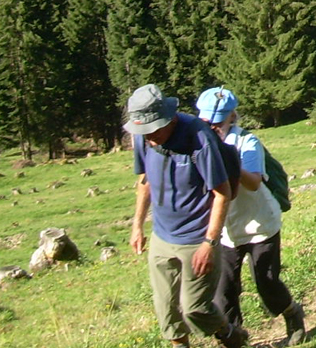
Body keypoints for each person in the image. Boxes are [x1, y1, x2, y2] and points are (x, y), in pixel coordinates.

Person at [126, 83, 249, 348]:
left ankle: (231, 336)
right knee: (166, 310)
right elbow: (144, 181)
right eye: (143, 131)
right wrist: (137, 225)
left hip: (197, 239)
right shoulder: (143, 135)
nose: (149, 137)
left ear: (169, 119)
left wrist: (209, 243)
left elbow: (222, 193)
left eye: (153, 129)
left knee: (195, 308)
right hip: (162, 235)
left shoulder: (198, 137)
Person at [196, 87, 306, 346]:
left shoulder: (246, 142)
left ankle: (292, 314)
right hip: (224, 230)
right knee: (224, 290)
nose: (213, 126)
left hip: (260, 225)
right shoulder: (198, 145)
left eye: (218, 121)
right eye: (207, 121)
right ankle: (235, 338)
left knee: (266, 282)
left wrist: (230, 159)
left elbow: (254, 182)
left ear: (231, 117)